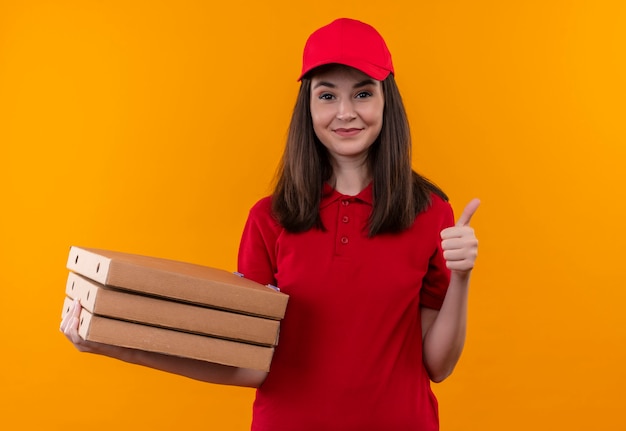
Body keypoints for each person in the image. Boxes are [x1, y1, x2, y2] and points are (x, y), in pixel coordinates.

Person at [61, 17, 479, 431]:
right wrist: (117, 344)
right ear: (308, 107)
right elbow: (250, 367)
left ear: (387, 101)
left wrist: (460, 277)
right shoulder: (269, 219)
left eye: (363, 94)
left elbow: (438, 366)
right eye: (327, 95)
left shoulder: (430, 213)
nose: (346, 113)